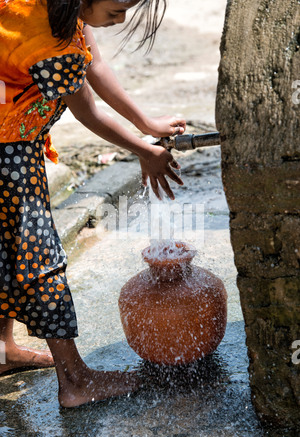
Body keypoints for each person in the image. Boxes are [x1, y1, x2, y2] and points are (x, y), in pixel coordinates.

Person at [0, 0, 186, 408]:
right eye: (117, 8)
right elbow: (89, 112)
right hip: (7, 152)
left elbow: (95, 66)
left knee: (8, 249)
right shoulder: (52, 45)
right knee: (38, 256)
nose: (120, 19)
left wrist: (147, 124)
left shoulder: (56, 9)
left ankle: (2, 350)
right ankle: (75, 381)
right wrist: (144, 151)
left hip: (11, 136)